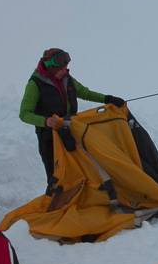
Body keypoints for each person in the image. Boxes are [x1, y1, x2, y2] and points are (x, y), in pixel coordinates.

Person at [18, 48, 125, 194]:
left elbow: (85, 93)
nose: (65, 70)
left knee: (78, 168)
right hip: (49, 138)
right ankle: (55, 201)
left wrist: (107, 99)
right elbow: (24, 114)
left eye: (66, 67)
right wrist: (46, 121)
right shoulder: (35, 84)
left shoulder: (67, 79)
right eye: (61, 68)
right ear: (51, 67)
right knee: (56, 176)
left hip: (69, 130)